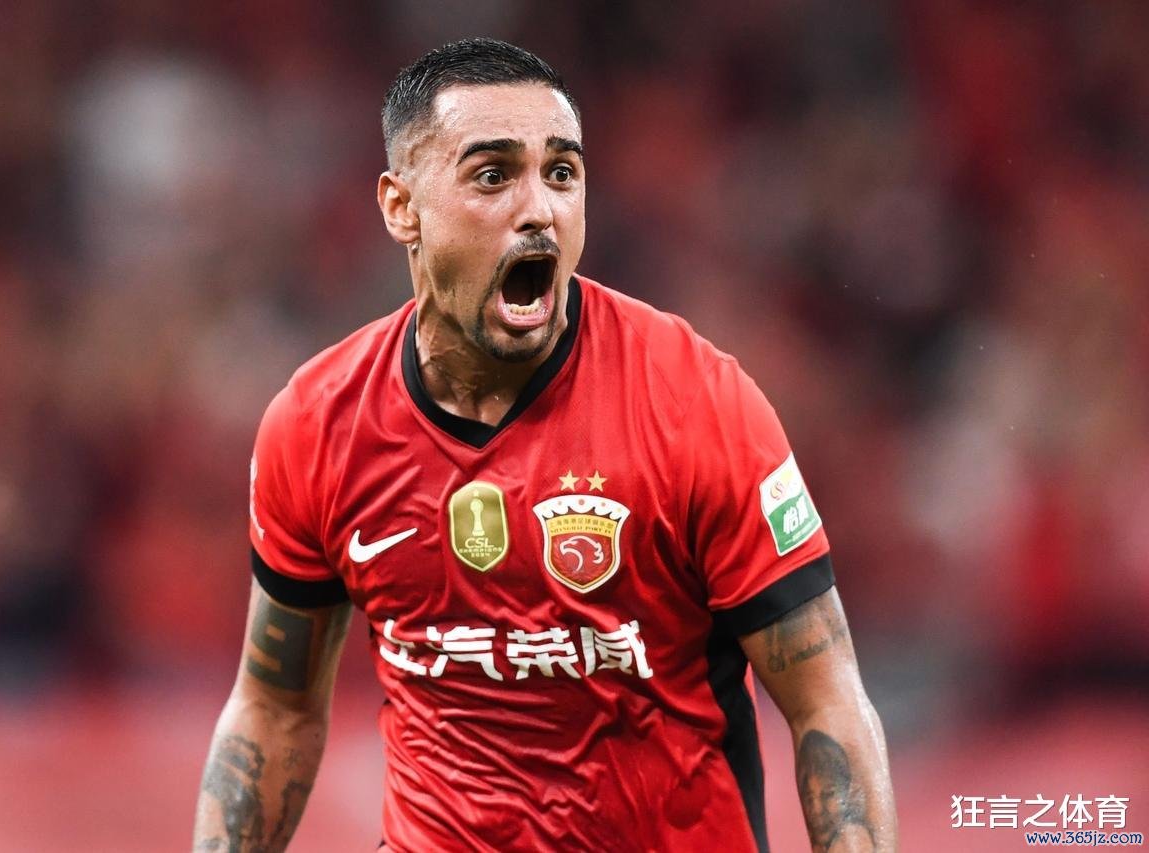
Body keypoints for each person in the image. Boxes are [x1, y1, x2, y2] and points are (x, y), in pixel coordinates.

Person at [193, 38, 897, 853]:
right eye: (494, 175)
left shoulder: (696, 403)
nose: (540, 209)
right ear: (401, 206)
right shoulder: (319, 423)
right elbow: (274, 707)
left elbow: (826, 701)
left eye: (561, 173)